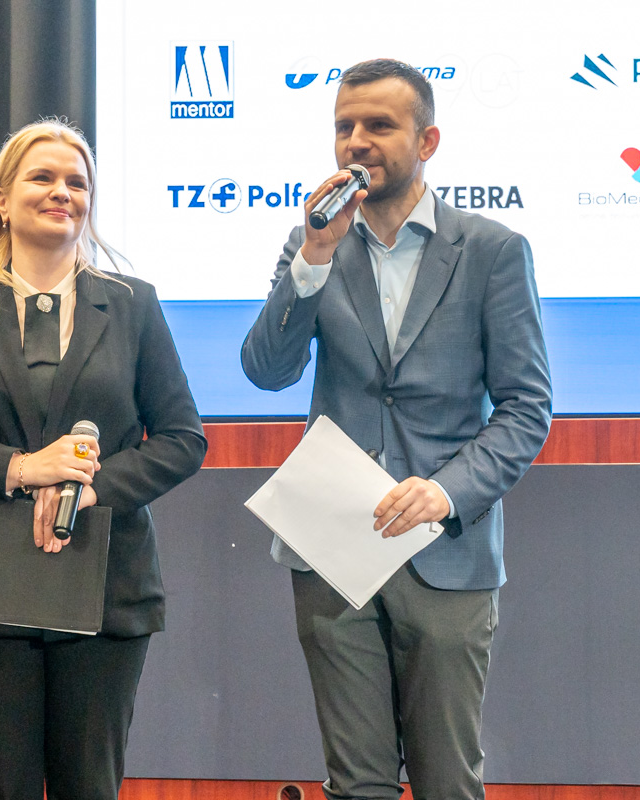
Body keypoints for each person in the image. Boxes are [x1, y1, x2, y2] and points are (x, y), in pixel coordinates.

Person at [241, 59, 552, 800]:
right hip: (331, 547)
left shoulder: (492, 250)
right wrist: (313, 258)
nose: (356, 142)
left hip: (444, 549)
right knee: (357, 784)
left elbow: (526, 407)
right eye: (344, 127)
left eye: (379, 126)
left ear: (428, 140)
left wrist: (446, 493)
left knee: (448, 780)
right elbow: (266, 370)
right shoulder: (312, 244)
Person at [0, 118, 206, 800]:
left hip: (105, 586)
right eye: (43, 177)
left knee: (89, 787)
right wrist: (22, 468)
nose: (63, 192)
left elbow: (184, 438)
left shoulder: (133, 306)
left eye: (77, 182)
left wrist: (93, 487)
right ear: (3, 200)